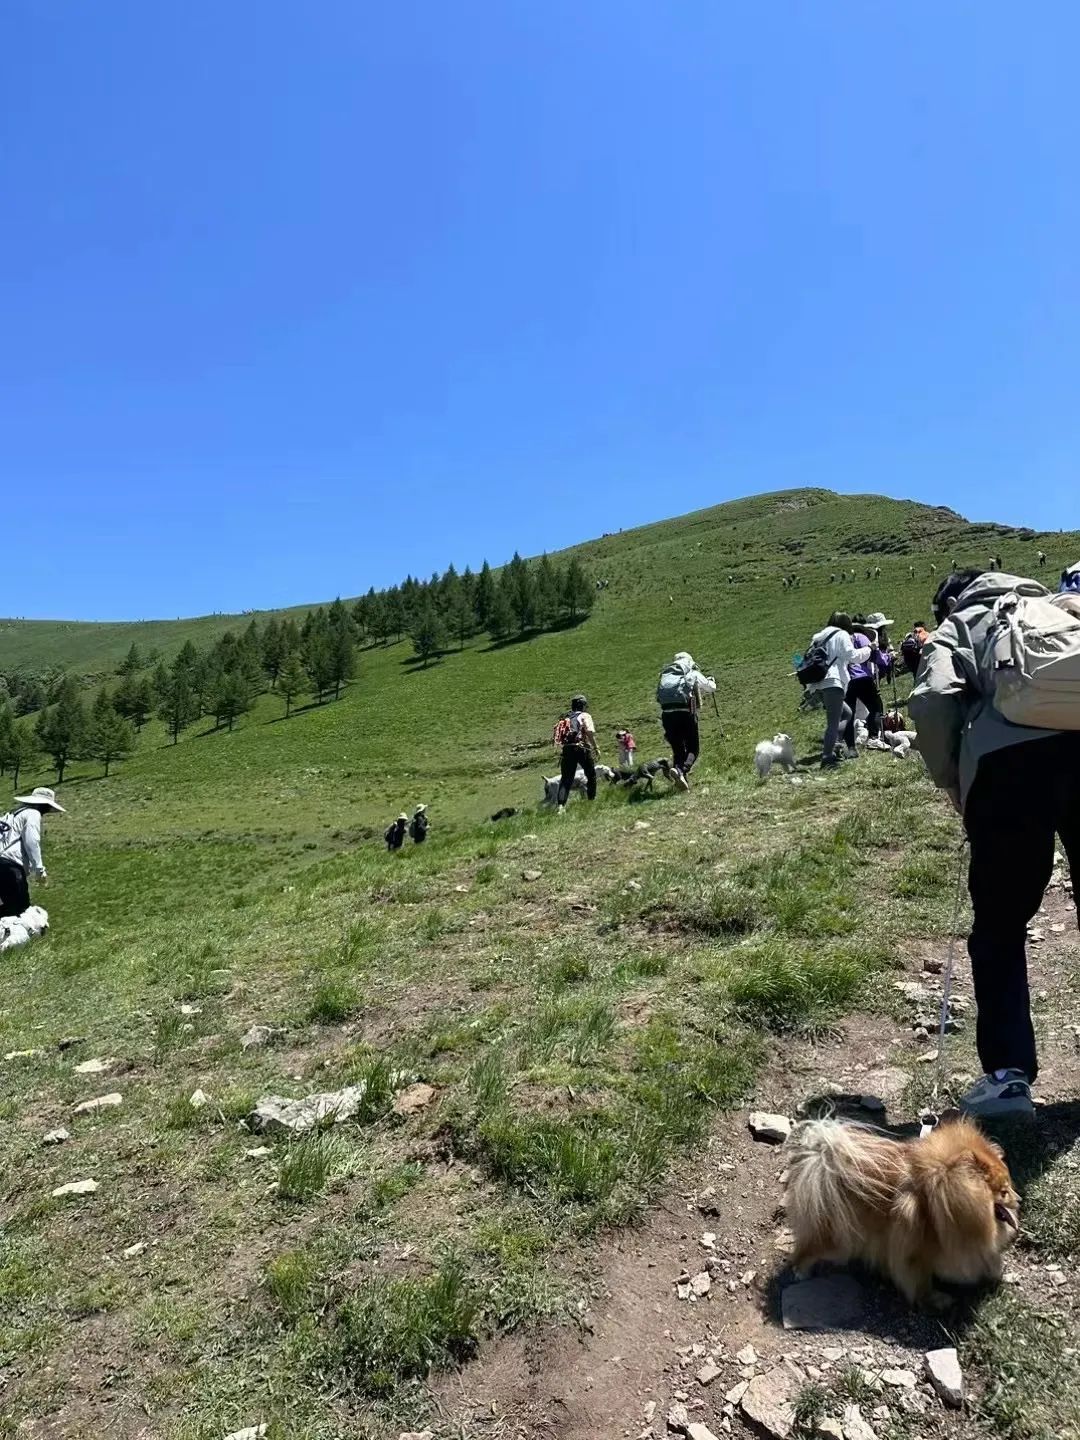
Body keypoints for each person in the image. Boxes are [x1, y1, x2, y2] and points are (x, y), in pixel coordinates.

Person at [910, 567, 1080, 1119]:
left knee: (1001, 924)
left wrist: (954, 783)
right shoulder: (1060, 608)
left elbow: (933, 700)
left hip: (1006, 771)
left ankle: (1008, 1078)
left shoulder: (963, 621)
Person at [803, 615, 871, 769]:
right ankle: (827, 758)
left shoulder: (818, 637)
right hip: (833, 682)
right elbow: (852, 656)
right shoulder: (842, 635)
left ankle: (836, 746)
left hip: (817, 683)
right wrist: (869, 649)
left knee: (846, 713)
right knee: (833, 722)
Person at [0, 786, 64, 918]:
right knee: (20, 909)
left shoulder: (12, 814)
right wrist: (39, 869)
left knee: (9, 904)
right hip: (9, 865)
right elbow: (32, 841)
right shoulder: (32, 813)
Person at [656, 652, 716, 791]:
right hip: (686, 713)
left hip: (667, 714)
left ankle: (679, 775)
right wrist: (711, 681)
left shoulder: (666, 674)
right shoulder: (691, 672)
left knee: (678, 748)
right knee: (693, 747)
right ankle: (682, 770)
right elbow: (710, 688)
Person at [842, 614, 891, 751]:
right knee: (876, 706)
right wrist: (888, 657)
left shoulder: (845, 640)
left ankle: (849, 745)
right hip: (862, 677)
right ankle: (874, 738)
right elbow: (877, 658)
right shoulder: (862, 638)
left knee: (848, 713)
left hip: (846, 679)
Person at [554, 695, 599, 814]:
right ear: (583, 705)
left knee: (565, 779)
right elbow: (589, 732)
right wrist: (596, 747)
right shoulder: (585, 716)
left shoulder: (565, 717)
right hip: (581, 747)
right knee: (591, 774)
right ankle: (591, 800)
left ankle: (561, 807)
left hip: (567, 750)